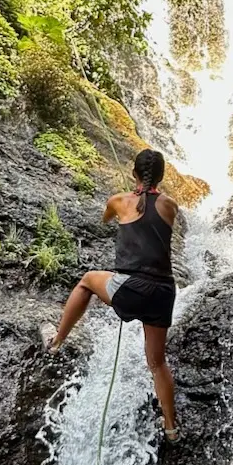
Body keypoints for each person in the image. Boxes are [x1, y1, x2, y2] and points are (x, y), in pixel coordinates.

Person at [43, 149, 181, 443]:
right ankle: (171, 428)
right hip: (163, 291)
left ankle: (56, 342)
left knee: (87, 281)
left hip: (132, 286)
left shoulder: (119, 201)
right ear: (162, 176)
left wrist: (129, 197)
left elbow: (107, 219)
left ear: (134, 174)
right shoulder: (171, 205)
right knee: (157, 362)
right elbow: (154, 212)